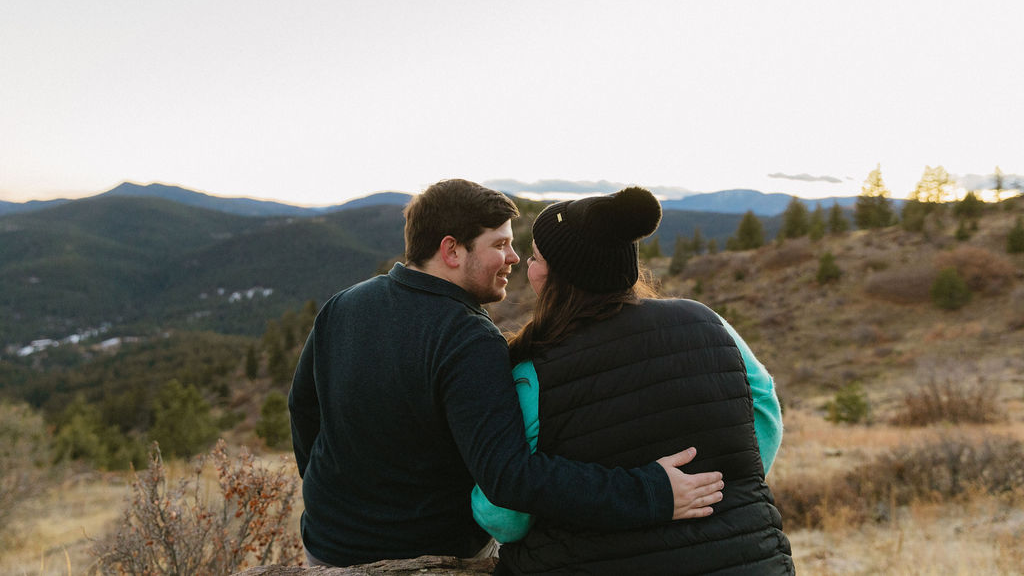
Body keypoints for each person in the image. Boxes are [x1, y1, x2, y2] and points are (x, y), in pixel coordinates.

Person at [288, 179, 727, 568]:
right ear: (451, 250)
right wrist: (650, 492)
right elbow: (510, 478)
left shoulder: (345, 303)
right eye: (499, 245)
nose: (514, 258)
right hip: (426, 554)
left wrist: (332, 500)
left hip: (325, 546)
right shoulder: (467, 339)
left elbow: (303, 408)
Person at [472, 186, 794, 575]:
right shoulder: (707, 322)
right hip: (751, 560)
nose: (527, 263)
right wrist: (716, 489)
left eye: (537, 257)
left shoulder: (532, 370)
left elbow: (505, 515)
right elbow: (764, 411)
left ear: (562, 276)